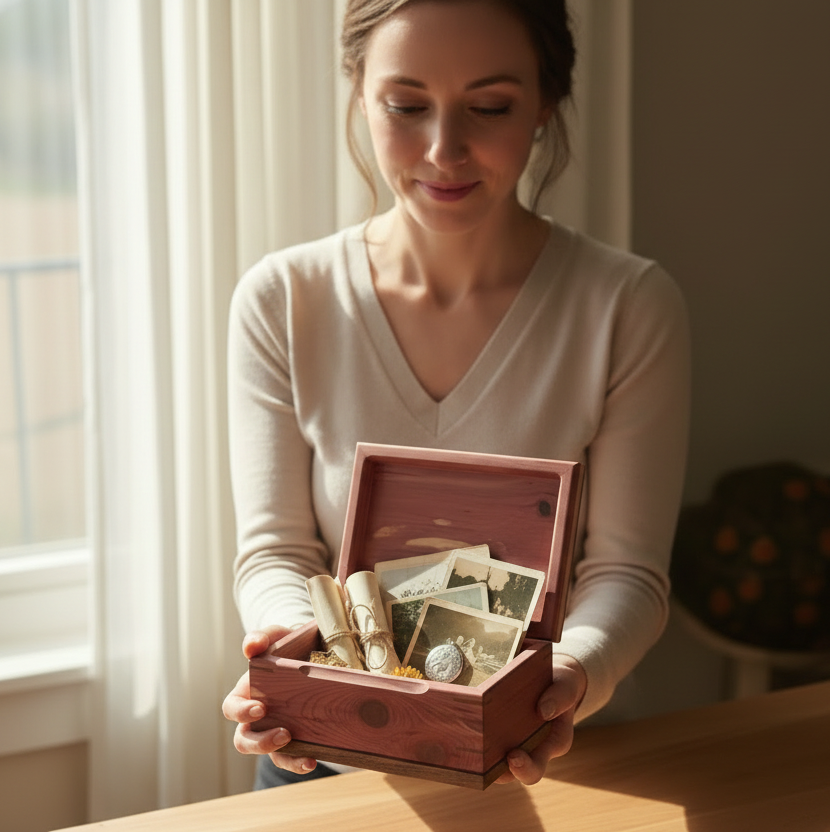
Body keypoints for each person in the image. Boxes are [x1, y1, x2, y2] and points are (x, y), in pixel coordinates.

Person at [222, 0, 690, 790]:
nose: (444, 149)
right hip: (334, 760)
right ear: (361, 95)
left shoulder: (628, 306)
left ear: (545, 103)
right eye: (406, 106)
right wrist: (295, 654)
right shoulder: (284, 299)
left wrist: (568, 676)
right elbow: (277, 553)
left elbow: (627, 572)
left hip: (551, 756)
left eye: (490, 107)